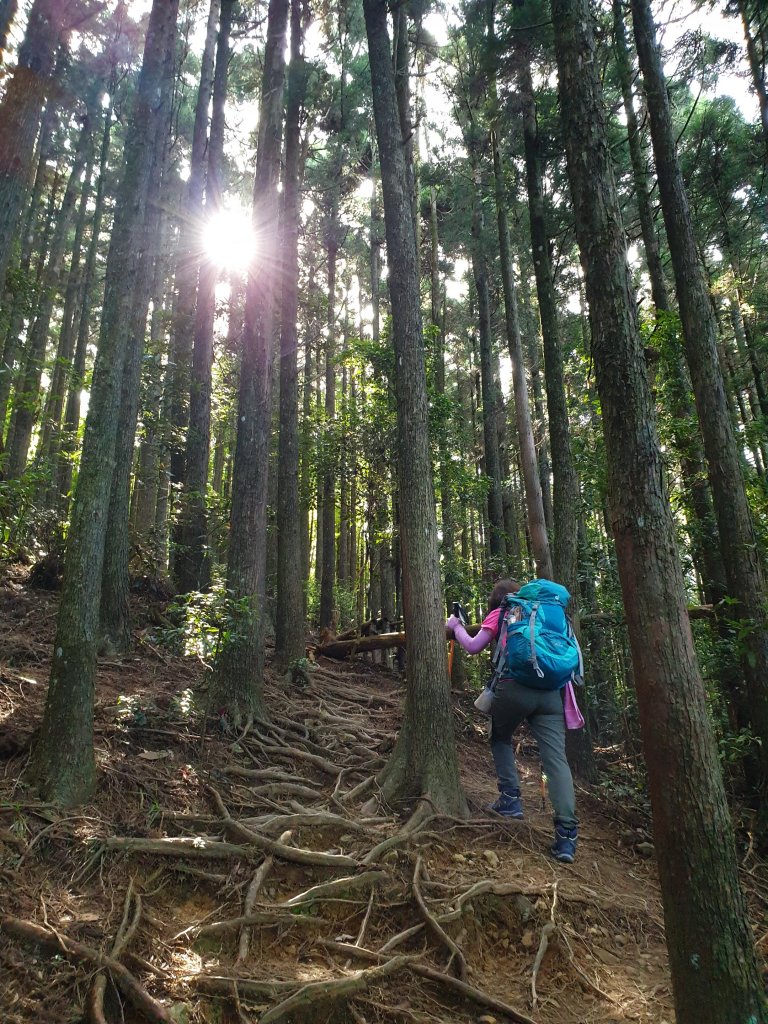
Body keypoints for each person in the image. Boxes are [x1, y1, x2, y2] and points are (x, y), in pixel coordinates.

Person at [446, 578, 579, 864]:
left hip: (514, 687)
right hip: (552, 694)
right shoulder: (547, 613)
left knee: (500, 737)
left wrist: (455, 626)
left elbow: (472, 646)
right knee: (556, 761)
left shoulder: (505, 610)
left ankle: (510, 799)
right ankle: (566, 838)